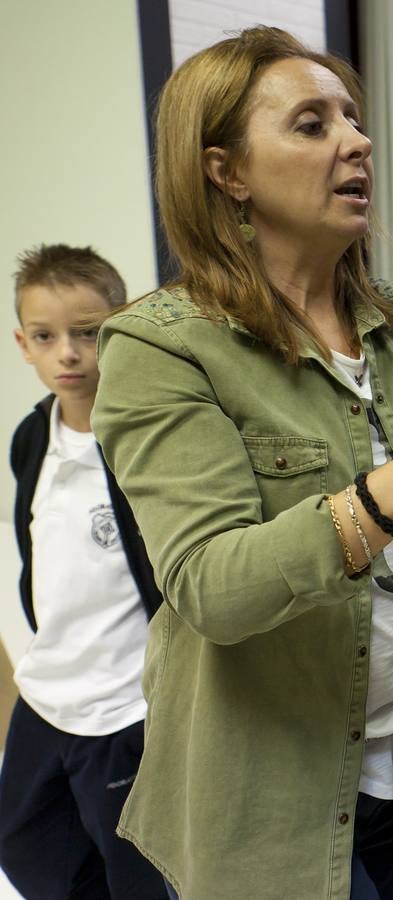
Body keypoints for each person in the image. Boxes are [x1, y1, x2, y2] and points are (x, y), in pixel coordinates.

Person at [90, 27, 393, 900]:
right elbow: (211, 585)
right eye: (311, 124)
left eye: (353, 120)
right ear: (227, 171)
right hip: (265, 800)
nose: (356, 142)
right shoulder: (158, 348)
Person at [1, 245, 166, 900]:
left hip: (126, 703)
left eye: (88, 334)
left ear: (119, 329)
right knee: (27, 843)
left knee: (137, 873)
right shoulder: (30, 437)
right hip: (50, 692)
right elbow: (37, 555)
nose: (67, 353)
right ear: (24, 343)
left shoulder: (140, 440)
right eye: (46, 336)